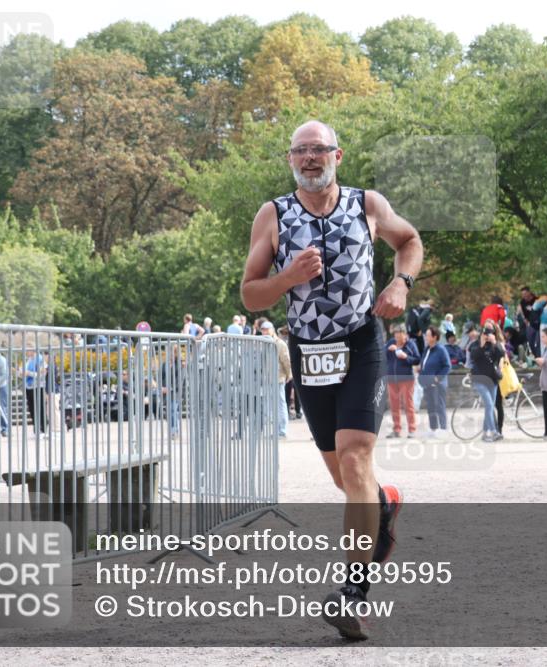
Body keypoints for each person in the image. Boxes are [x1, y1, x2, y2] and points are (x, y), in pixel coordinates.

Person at [239, 120, 422, 640]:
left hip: (361, 340)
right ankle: (384, 504)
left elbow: (408, 241)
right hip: (309, 350)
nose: (311, 158)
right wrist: (287, 278)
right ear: (290, 159)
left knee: (355, 457)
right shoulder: (273, 215)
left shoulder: (366, 204)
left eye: (320, 150)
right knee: (346, 480)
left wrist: (401, 284)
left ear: (338, 155)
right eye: (301, 151)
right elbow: (251, 294)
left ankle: (353, 592)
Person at [468, 323, 504, 442]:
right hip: (479, 379)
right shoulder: (475, 344)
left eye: (490, 333)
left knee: (490, 407)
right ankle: (493, 432)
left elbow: (502, 354)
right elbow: (474, 356)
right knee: (489, 405)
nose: (487, 335)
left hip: (492, 379)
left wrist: (494, 343)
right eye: (485, 333)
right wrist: (482, 345)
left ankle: (485, 433)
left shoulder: (494, 345)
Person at [385, 324, 419, 438]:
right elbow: (383, 356)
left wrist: (406, 357)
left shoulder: (410, 345)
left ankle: (412, 430)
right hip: (391, 379)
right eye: (395, 334)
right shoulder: (391, 343)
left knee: (408, 405)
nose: (397, 337)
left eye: (399, 334)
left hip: (406, 379)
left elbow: (417, 360)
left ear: (405, 334)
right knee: (394, 405)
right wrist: (387, 350)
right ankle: (397, 430)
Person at [417, 326, 450, 437]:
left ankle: (443, 429)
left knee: (439, 405)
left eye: (428, 335)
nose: (426, 337)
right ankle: (433, 429)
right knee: (431, 406)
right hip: (427, 383)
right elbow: (424, 363)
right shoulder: (427, 349)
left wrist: (438, 378)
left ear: (434, 337)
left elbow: (447, 366)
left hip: (438, 384)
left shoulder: (441, 350)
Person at [261, 321, 292, 438]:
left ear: (272, 330)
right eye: (263, 329)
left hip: (278, 377)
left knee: (280, 403)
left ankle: (282, 430)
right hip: (267, 378)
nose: (264, 331)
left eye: (266, 329)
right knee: (271, 405)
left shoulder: (280, 343)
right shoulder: (263, 342)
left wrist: (289, 374)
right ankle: (276, 429)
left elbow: (286, 360)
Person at [22, 349, 48, 434]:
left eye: (28, 350)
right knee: (31, 408)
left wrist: (28, 373)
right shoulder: (28, 360)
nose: (26, 352)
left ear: (33, 350)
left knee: (40, 407)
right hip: (29, 387)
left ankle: (43, 427)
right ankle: (36, 427)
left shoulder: (40, 359)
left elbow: (42, 374)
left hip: (38, 386)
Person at [519, 286, 541, 356]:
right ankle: (536, 356)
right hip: (531, 324)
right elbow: (525, 314)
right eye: (522, 294)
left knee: (538, 341)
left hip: (540, 323)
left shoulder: (537, 300)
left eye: (525, 294)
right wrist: (526, 321)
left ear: (529, 292)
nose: (524, 296)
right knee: (530, 341)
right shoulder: (523, 302)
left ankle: (540, 355)